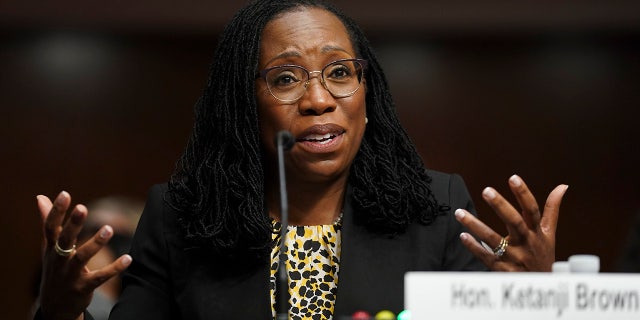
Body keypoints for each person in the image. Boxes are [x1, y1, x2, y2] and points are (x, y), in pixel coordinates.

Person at [34, 0, 569, 319]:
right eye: (286, 78)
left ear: (367, 93)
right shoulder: (180, 217)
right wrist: (59, 312)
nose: (318, 99)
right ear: (244, 103)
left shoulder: (434, 208)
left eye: (340, 72)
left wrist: (535, 301)